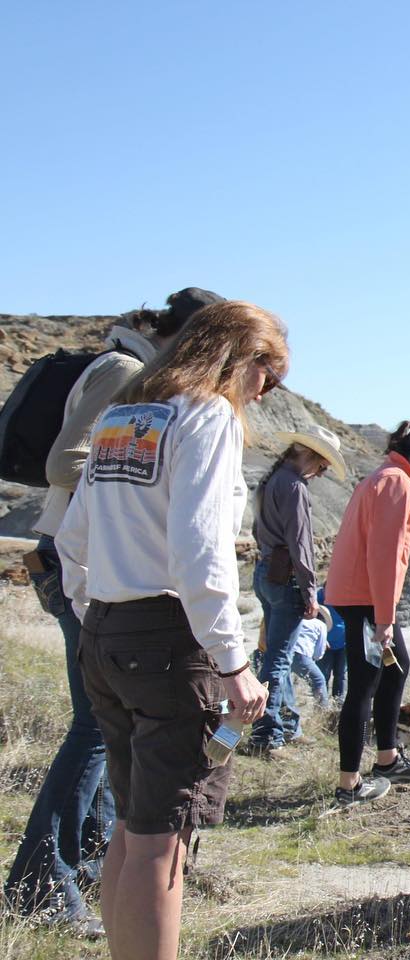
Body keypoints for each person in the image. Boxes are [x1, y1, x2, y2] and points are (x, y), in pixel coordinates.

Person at [55, 299, 285, 960]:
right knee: (167, 845)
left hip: (109, 630)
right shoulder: (208, 416)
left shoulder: (122, 417)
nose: (264, 394)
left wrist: (94, 610)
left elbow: (74, 537)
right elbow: (201, 552)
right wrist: (233, 661)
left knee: (132, 828)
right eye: (267, 376)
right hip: (172, 642)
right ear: (242, 359)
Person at [4, 287, 221, 938]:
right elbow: (65, 461)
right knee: (96, 729)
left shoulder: (129, 369)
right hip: (91, 567)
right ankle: (43, 882)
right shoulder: (127, 373)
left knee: (107, 727)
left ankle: (101, 866)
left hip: (93, 563)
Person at [326, 421, 410, 806]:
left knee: (395, 665)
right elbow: (384, 556)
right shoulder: (398, 482)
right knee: (363, 688)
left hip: (361, 594)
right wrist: (384, 617)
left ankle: (387, 759)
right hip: (364, 597)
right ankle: (349, 785)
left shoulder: (389, 476)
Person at [249, 425, 347, 755]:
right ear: (311, 457)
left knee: (280, 654)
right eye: (322, 466)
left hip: (265, 573)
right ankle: (266, 734)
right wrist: (309, 592)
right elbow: (301, 546)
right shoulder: (294, 487)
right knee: (277, 660)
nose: (320, 474)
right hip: (286, 580)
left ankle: (286, 725)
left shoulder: (271, 480)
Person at [289, 605, 334, 711]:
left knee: (285, 681)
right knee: (319, 680)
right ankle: (322, 711)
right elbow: (319, 653)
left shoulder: (299, 619)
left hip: (285, 652)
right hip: (300, 654)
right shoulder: (321, 625)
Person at [316, 586, 347, 703]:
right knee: (323, 675)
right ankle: (322, 704)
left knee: (340, 675)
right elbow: (314, 617)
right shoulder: (319, 597)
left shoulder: (343, 597)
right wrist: (321, 639)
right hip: (325, 644)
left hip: (343, 644)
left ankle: (337, 704)